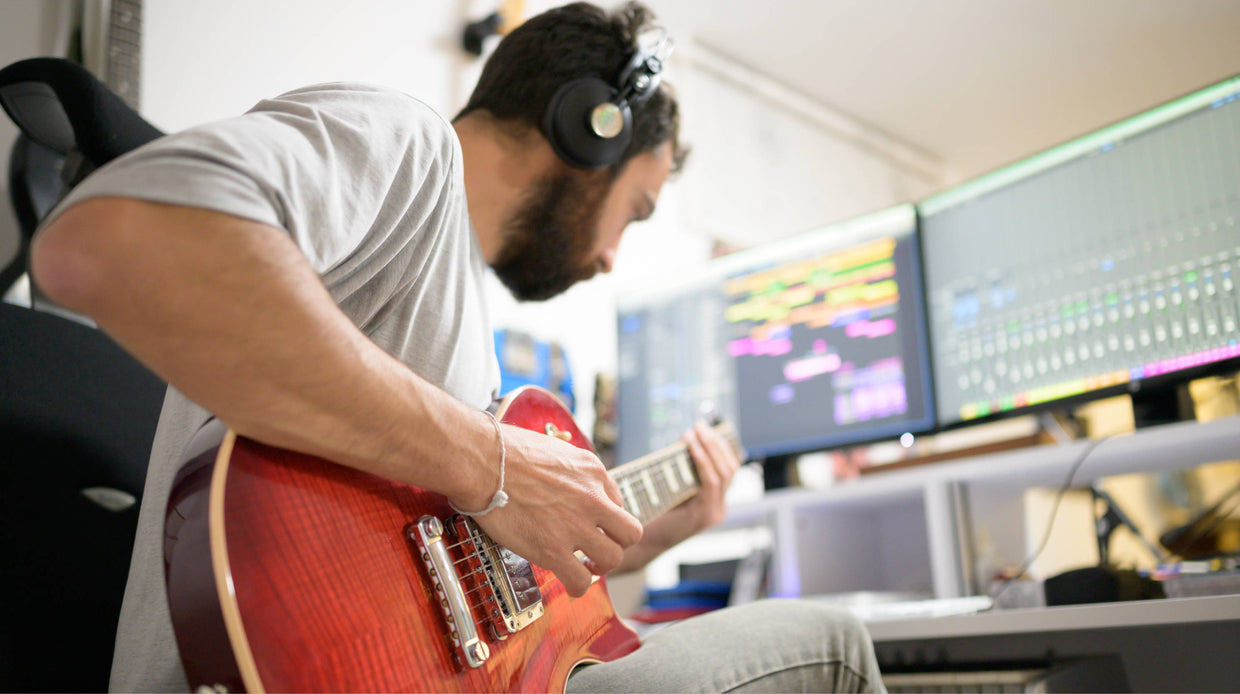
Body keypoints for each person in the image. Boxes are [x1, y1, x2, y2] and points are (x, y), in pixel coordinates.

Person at [30, 2, 885, 692]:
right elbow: (110, 239)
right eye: (637, 210)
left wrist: (644, 534)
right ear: (590, 131)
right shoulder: (411, 146)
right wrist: (493, 464)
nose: (612, 259)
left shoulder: (462, 330)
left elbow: (481, 614)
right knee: (836, 643)